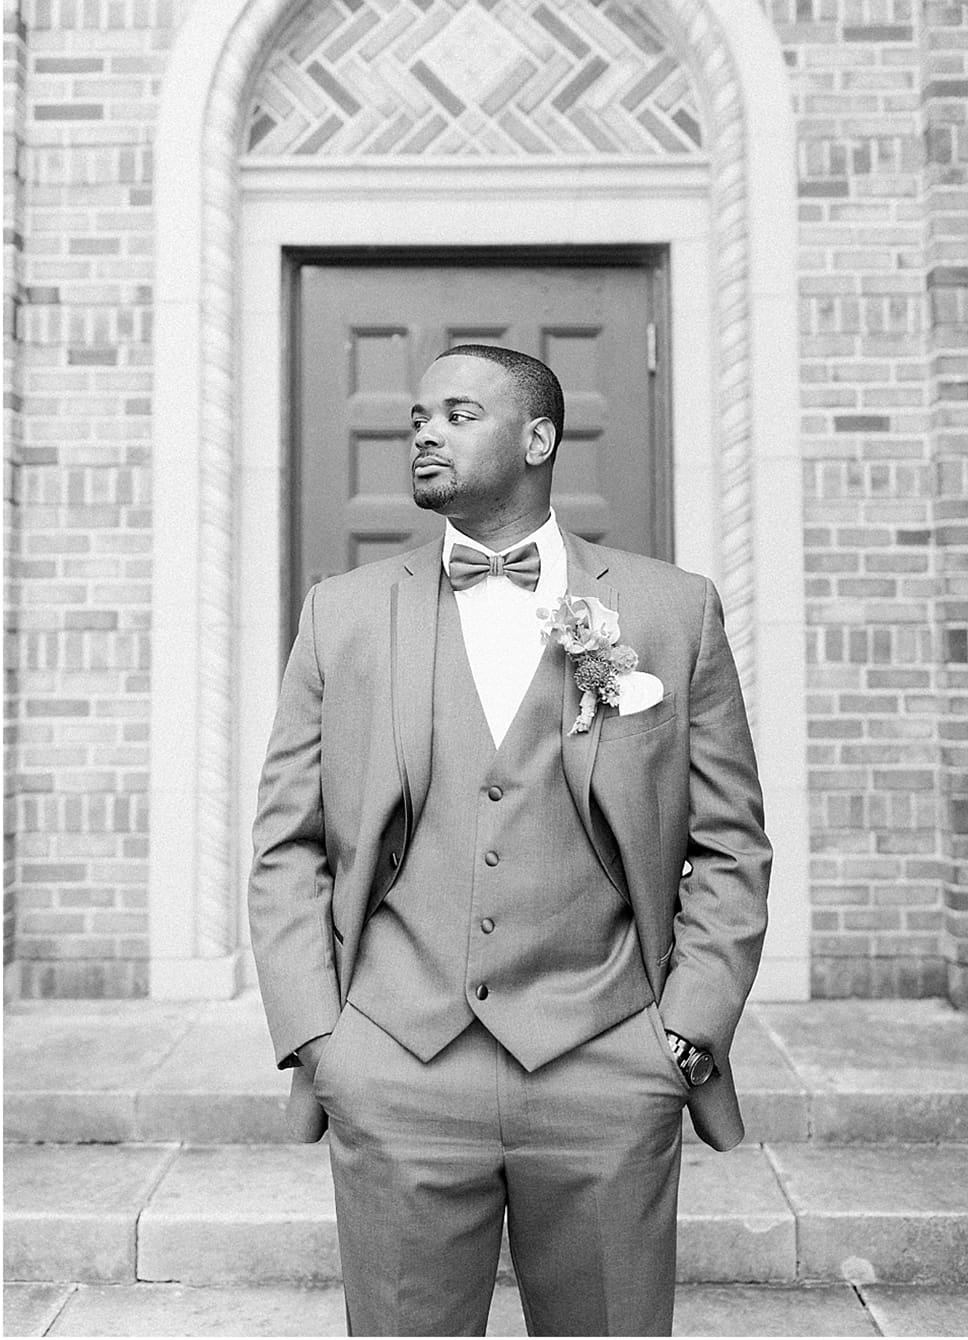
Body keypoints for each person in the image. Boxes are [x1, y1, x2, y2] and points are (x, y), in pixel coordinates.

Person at [248, 344, 772, 1335]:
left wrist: (683, 1030)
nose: (423, 433)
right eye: (415, 418)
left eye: (456, 413)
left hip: (606, 1057)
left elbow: (730, 841)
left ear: (536, 439)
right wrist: (325, 1037)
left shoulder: (666, 610)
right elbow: (288, 842)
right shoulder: (344, 615)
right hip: (398, 1060)